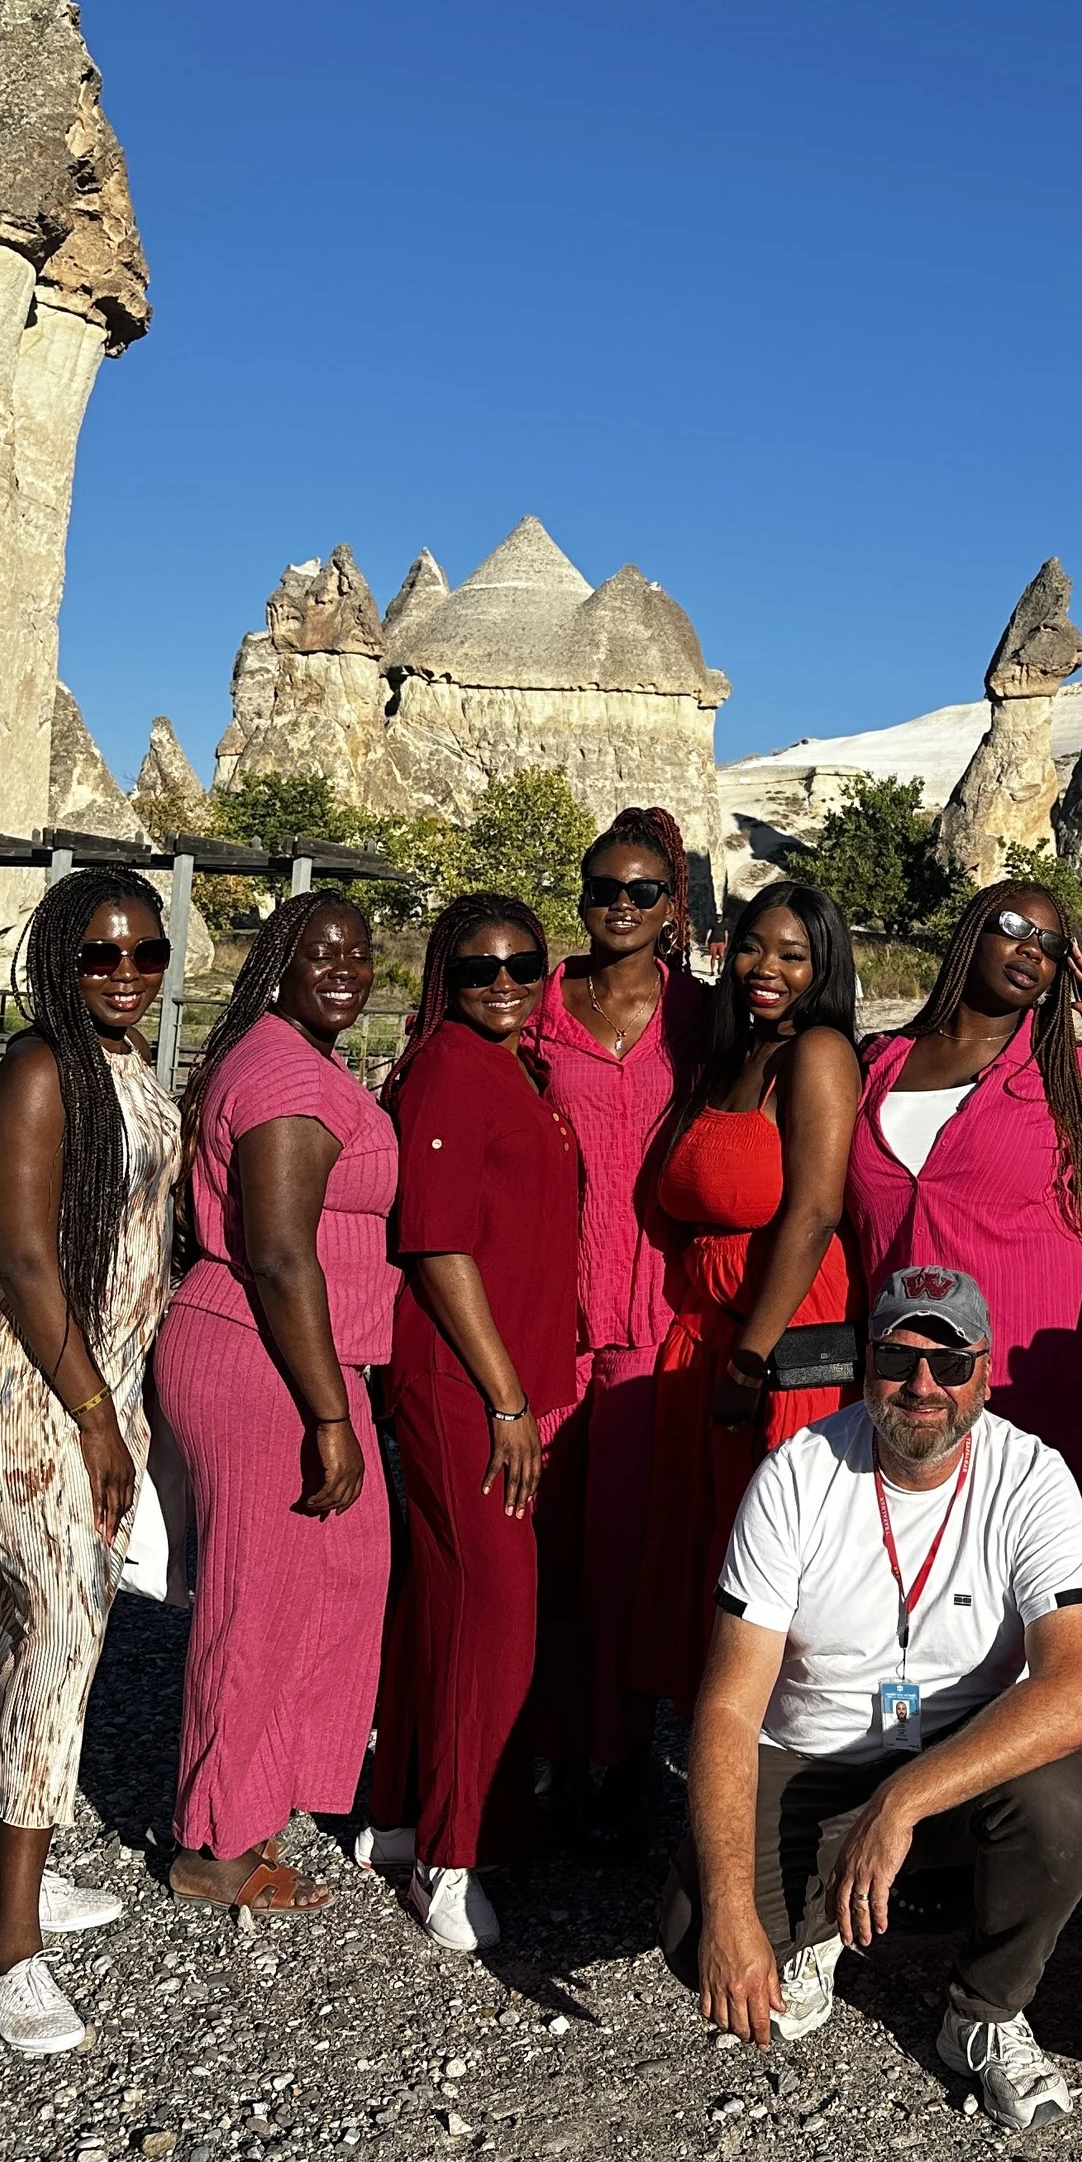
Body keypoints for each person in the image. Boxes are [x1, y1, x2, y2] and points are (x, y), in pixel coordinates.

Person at [660, 1268, 1082, 2129]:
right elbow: (724, 1710)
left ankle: (983, 2012)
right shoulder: (797, 1475)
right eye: (900, 1357)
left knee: (1064, 1799)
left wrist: (902, 1802)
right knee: (693, 1929)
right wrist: (727, 1913)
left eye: (949, 1360)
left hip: (954, 1762)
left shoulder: (1034, 1477)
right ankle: (821, 1924)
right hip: (815, 1761)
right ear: (867, 1364)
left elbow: (1079, 1692)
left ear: (987, 1367)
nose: (924, 1385)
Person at [0, 874, 181, 2053]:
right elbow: (30, 1260)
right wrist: (95, 1417)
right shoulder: (42, 1069)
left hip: (97, 1383)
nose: (127, 970)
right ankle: (12, 1950)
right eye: (99, 955)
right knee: (65, 1631)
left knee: (20, 1622)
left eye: (146, 950)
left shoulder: (127, 1066)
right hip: (37, 1383)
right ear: (59, 959)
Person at [152, 892, 397, 1913]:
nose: (343, 967)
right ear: (277, 964)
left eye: (358, 951)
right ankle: (210, 1841)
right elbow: (282, 1255)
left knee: (333, 1576)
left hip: (282, 1354)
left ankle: (260, 1796)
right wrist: (330, 1415)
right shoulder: (286, 1078)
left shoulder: (294, 1056)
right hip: (272, 1359)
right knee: (258, 1603)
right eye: (318, 952)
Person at [365, 895, 581, 1952]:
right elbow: (437, 1248)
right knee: (495, 1612)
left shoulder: (513, 1064)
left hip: (505, 1381)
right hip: (463, 1383)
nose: (503, 983)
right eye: (478, 969)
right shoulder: (450, 1065)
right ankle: (454, 1857)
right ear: (445, 979)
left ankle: (404, 1816)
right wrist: (504, 1399)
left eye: (522, 964)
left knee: (450, 1598)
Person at [847, 878, 1082, 1595]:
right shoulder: (875, 1063)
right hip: (913, 1376)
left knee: (1045, 1590)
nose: (1032, 947)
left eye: (1052, 944)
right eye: (1014, 925)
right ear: (974, 930)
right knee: (919, 1578)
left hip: (1041, 1370)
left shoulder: (1072, 1074)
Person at [631, 882, 863, 1719]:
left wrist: (752, 1354)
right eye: (754, 945)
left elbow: (814, 1211)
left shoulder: (818, 1053)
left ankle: (781, 1784)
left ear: (824, 967)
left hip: (774, 1335)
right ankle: (715, 1761)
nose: (767, 967)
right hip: (710, 1329)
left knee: (774, 1558)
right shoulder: (732, 1056)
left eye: (793, 954)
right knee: (712, 1550)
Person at [526, 808, 709, 1850]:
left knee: (630, 1542)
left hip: (656, 1316)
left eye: (644, 893)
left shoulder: (702, 1016)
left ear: (671, 906)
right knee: (541, 1535)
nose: (622, 908)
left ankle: (623, 1747)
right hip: (551, 1312)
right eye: (605, 890)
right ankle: (543, 1741)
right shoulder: (538, 1001)